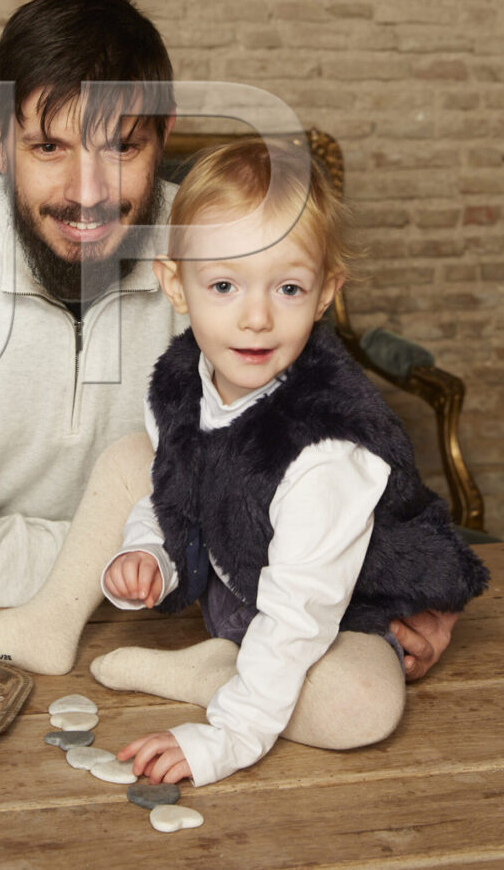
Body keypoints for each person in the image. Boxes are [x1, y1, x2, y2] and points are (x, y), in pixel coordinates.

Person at [0, 0, 457, 677]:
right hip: (90, 608)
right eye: (48, 146)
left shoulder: (227, 253)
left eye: (121, 146)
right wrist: (143, 564)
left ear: (163, 134)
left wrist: (418, 580)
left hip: (207, 616)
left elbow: (331, 441)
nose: (86, 193)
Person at [90, 138, 488, 787]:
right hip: (243, 586)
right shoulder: (182, 381)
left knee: (361, 705)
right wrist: (150, 554)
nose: (256, 318)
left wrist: (224, 738)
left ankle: (212, 676)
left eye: (288, 288)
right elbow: (174, 486)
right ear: (176, 284)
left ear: (325, 292)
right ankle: (210, 655)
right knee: (128, 458)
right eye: (224, 285)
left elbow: (301, 614)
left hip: (343, 610)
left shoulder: (326, 449)